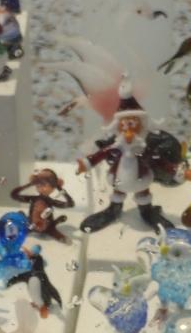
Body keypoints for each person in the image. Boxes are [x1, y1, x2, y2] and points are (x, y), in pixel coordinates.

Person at [76, 83, 181, 233]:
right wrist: (87, 163)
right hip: (119, 179)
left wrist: (172, 170)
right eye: (124, 125)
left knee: (143, 195)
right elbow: (101, 154)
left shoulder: (143, 148)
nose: (128, 129)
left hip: (141, 178)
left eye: (132, 124)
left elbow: (157, 160)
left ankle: (147, 212)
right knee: (118, 193)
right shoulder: (116, 146)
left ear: (141, 125)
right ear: (118, 126)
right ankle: (113, 210)